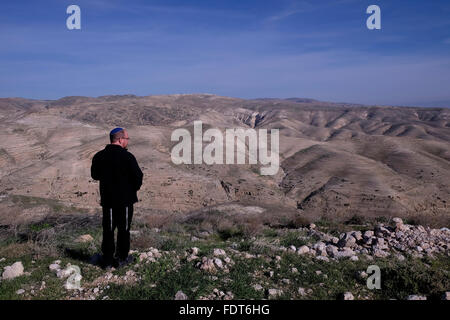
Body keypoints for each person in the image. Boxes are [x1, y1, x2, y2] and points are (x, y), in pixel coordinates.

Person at [91, 127, 143, 268]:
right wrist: (132, 190)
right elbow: (138, 177)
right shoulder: (128, 157)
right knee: (123, 229)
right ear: (120, 139)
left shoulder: (99, 156)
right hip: (125, 201)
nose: (127, 141)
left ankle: (107, 261)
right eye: (126, 138)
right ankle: (121, 259)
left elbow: (94, 175)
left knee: (108, 230)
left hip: (107, 200)